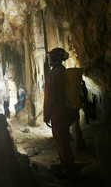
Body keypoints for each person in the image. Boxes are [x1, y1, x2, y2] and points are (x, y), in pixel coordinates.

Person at [43, 48, 79, 182]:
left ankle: (68, 171)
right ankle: (67, 166)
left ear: (55, 59)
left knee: (62, 142)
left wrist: (46, 116)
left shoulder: (53, 74)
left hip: (58, 112)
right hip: (68, 111)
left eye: (50, 58)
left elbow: (49, 97)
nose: (49, 60)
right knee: (64, 140)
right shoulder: (65, 72)